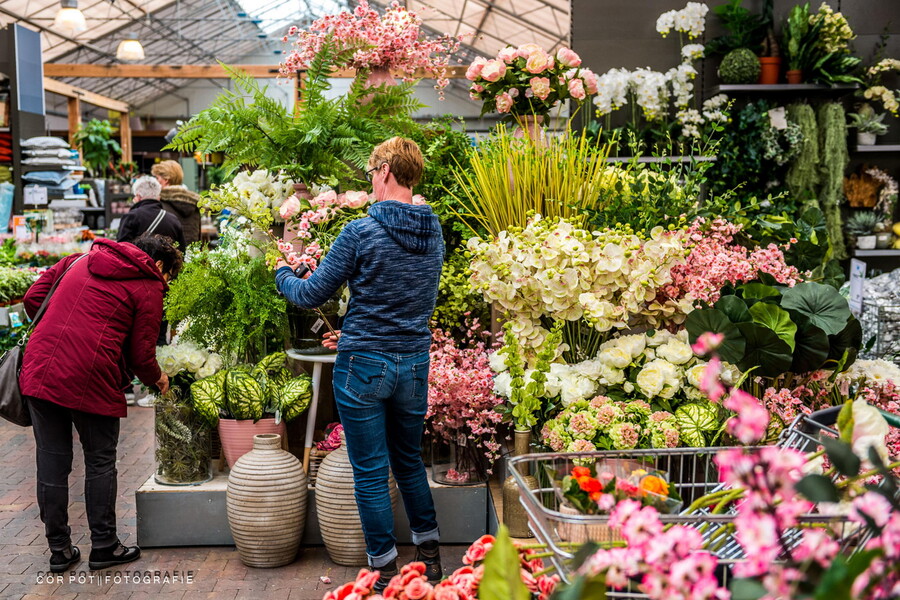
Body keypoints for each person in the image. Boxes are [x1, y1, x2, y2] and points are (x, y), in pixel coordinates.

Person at [276, 137, 444, 591]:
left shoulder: (360, 231)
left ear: (386, 170)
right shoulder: (434, 231)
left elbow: (311, 295)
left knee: (370, 470)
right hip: (412, 363)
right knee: (409, 462)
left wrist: (282, 272)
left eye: (371, 171)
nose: (370, 180)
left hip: (364, 364)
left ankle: (385, 570)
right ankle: (430, 555)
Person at [20, 234, 182, 573]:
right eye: (169, 278)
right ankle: (105, 545)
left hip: (42, 366)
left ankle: (59, 550)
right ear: (161, 265)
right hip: (92, 374)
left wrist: (63, 326)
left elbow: (34, 297)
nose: (166, 285)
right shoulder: (148, 285)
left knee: (52, 461)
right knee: (100, 461)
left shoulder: (79, 259)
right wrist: (159, 379)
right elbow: (140, 356)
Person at [116, 175, 186, 251]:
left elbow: (122, 249)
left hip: (139, 262)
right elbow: (181, 250)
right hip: (165, 262)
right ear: (158, 197)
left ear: (138, 196)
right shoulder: (173, 219)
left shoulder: (131, 217)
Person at [152, 160, 202, 246]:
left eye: (157, 178)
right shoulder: (193, 202)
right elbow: (198, 234)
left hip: (169, 255)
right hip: (191, 254)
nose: (155, 182)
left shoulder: (160, 202)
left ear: (166, 180)